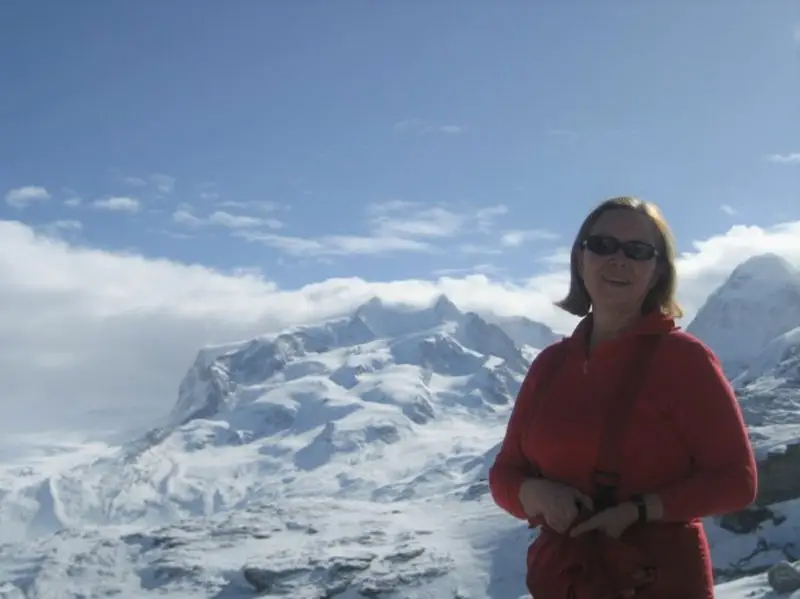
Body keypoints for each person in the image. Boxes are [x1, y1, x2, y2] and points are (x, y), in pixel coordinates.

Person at [488, 196, 757, 598]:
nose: (619, 259)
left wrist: (639, 510)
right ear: (580, 259)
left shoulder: (684, 361)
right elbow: (505, 473)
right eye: (602, 245)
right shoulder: (550, 365)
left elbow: (738, 481)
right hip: (566, 579)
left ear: (657, 271)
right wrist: (537, 494)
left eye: (638, 251)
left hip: (657, 582)